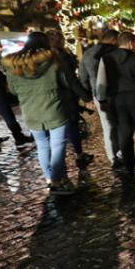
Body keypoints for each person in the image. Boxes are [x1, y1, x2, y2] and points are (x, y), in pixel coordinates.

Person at [0, 32, 77, 195]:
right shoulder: (53, 59)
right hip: (53, 108)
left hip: (30, 110)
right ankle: (57, 182)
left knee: (42, 146)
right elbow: (64, 82)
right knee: (58, 145)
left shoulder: (13, 63)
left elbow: (13, 90)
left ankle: (50, 178)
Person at [97, 32, 135, 175]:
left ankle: (129, 164)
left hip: (116, 99)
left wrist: (102, 99)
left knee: (124, 132)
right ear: (130, 43)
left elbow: (101, 82)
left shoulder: (105, 59)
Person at [46, 29, 95, 168]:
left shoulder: (43, 56)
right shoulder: (60, 56)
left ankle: (59, 165)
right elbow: (71, 80)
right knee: (70, 127)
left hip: (50, 98)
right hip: (65, 97)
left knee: (57, 131)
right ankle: (77, 156)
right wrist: (86, 98)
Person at [79, 29, 121, 168]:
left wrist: (87, 97)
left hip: (98, 94)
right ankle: (122, 153)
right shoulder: (115, 52)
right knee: (121, 123)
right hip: (118, 93)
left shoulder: (88, 53)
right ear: (114, 39)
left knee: (107, 126)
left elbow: (83, 77)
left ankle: (113, 157)